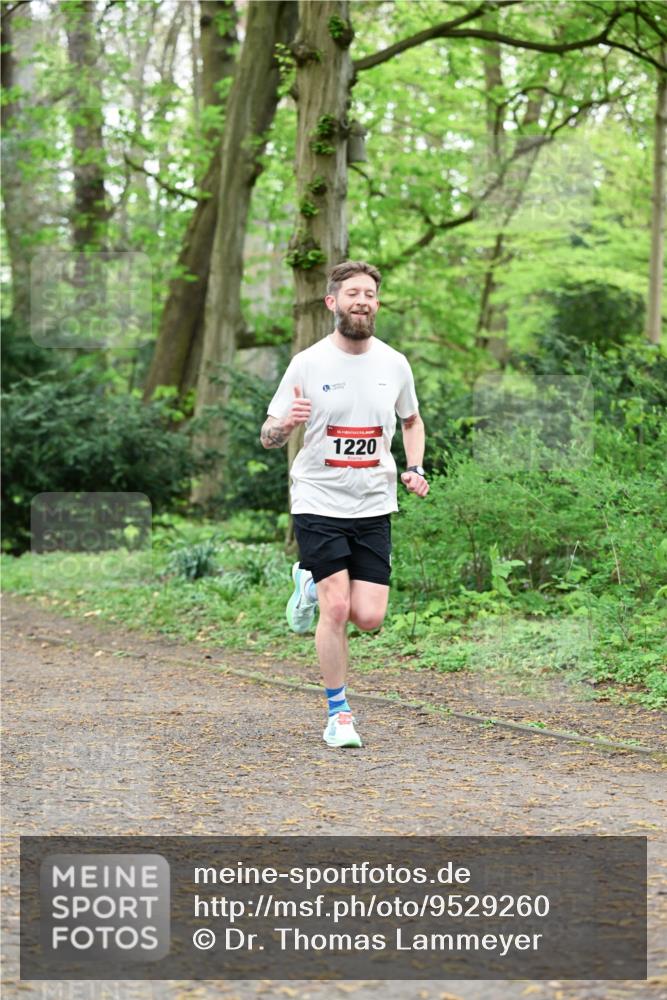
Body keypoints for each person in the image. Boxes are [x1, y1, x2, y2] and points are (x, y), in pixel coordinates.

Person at [260, 260, 428, 748]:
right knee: (336, 609)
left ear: (376, 304)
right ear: (332, 303)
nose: (362, 301)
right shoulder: (308, 363)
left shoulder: (394, 363)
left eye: (370, 294)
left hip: (374, 503)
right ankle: (339, 714)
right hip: (318, 499)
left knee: (369, 617)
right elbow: (268, 436)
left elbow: (412, 421)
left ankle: (306, 578)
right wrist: (285, 424)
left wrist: (414, 468)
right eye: (352, 293)